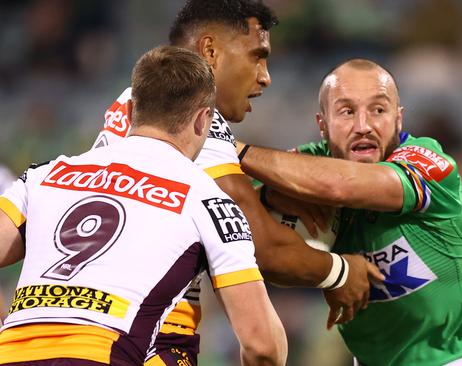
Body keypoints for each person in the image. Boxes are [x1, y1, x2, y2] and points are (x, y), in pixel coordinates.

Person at [95, 1, 381, 364]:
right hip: (138, 339)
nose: (265, 76)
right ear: (210, 51)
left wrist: (266, 198)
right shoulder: (194, 120)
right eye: (256, 56)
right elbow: (261, 247)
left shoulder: (136, 106)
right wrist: (342, 273)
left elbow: (185, 214)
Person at [0, 46, 287, 366]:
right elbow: (263, 345)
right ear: (203, 119)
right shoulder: (209, 201)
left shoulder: (46, 174)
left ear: (132, 108)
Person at [235, 59, 462, 365]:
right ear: (323, 124)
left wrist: (233, 150)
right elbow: (251, 233)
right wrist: (269, 196)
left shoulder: (429, 163)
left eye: (378, 110)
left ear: (398, 119)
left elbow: (344, 187)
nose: (363, 126)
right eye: (347, 111)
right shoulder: (306, 166)